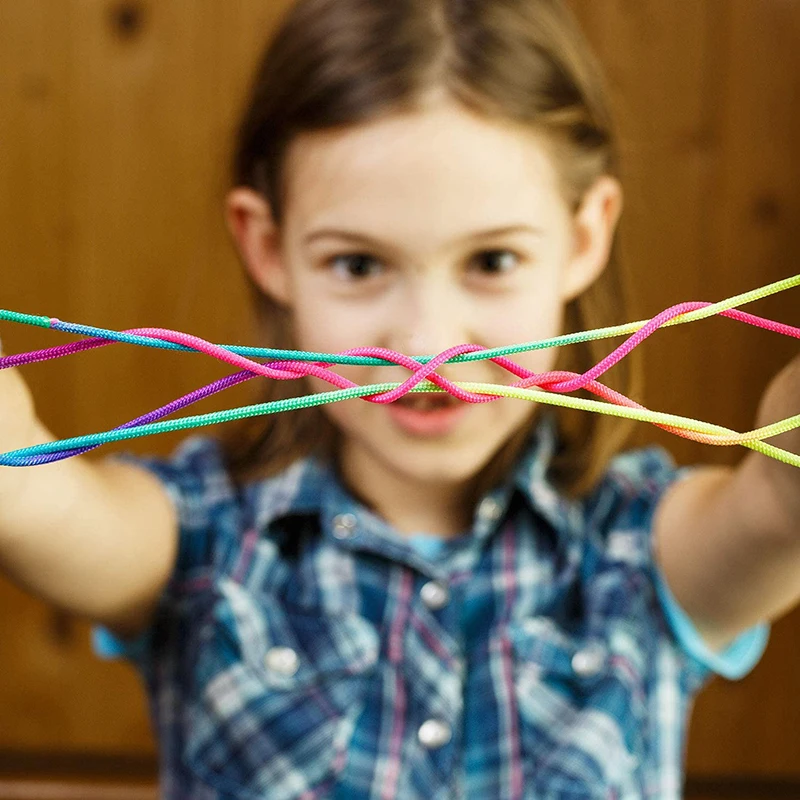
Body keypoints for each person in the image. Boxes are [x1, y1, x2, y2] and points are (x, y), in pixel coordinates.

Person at [0, 0, 797, 797]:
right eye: (357, 265)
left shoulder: (643, 550)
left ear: (584, 239)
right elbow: (27, 491)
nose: (426, 347)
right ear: (268, 247)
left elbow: (780, 498)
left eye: (491, 260)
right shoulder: (197, 542)